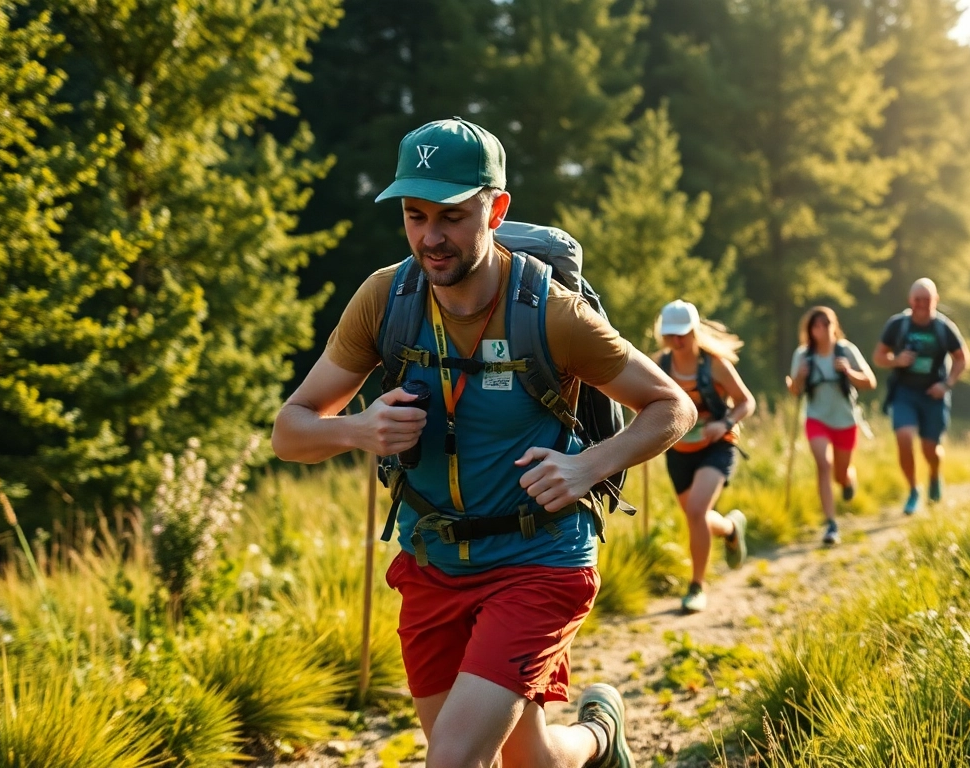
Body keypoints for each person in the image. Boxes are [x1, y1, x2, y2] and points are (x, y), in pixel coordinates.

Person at [271, 118, 693, 768]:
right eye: (415, 216)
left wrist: (590, 465)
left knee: (452, 758)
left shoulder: (552, 313)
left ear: (495, 210)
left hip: (539, 559)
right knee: (530, 759)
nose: (430, 237)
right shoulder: (386, 300)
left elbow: (672, 405)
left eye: (451, 216)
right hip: (432, 561)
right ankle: (601, 740)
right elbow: (290, 431)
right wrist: (357, 429)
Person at [655, 300, 756, 613]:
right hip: (678, 451)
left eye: (682, 333)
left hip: (717, 445)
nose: (677, 340)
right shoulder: (658, 364)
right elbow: (645, 401)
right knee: (696, 516)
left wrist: (724, 423)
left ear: (694, 330)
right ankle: (730, 528)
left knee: (697, 511)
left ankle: (697, 586)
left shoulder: (715, 365)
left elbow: (745, 402)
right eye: (670, 334)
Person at [872, 278, 970, 515]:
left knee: (930, 449)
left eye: (927, 299)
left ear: (935, 300)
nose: (922, 304)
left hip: (933, 395)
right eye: (918, 299)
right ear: (910, 300)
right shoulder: (897, 325)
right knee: (904, 438)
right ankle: (913, 490)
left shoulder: (943, 328)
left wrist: (946, 385)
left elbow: (962, 358)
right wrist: (897, 361)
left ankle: (934, 476)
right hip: (904, 392)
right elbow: (878, 357)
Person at [785, 307, 876, 545]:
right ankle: (831, 525)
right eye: (817, 325)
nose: (822, 329)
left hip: (845, 420)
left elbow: (870, 382)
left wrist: (848, 371)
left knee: (839, 474)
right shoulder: (802, 355)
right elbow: (794, 390)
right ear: (810, 330)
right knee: (824, 465)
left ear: (834, 326)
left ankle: (848, 480)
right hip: (816, 418)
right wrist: (800, 377)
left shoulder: (847, 350)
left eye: (827, 323)